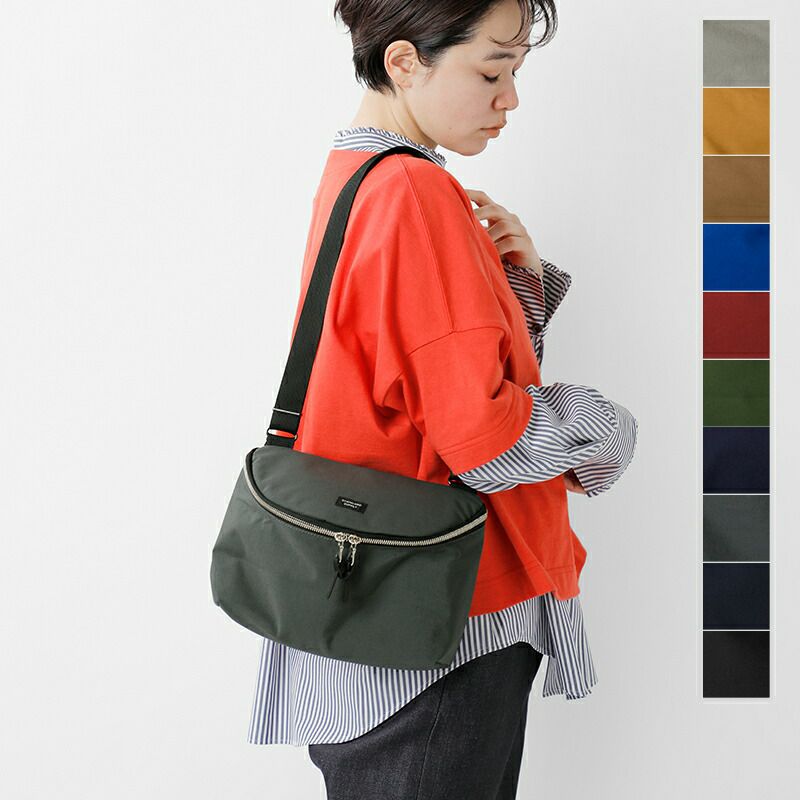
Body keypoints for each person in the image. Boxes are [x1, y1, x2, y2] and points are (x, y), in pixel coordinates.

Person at [247, 1, 638, 797]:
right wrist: (606, 429)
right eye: (492, 71)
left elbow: (419, 392)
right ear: (403, 62)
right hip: (439, 629)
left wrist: (516, 287)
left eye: (516, 72)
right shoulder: (414, 192)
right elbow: (483, 440)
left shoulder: (355, 177)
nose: (510, 99)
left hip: (371, 608)